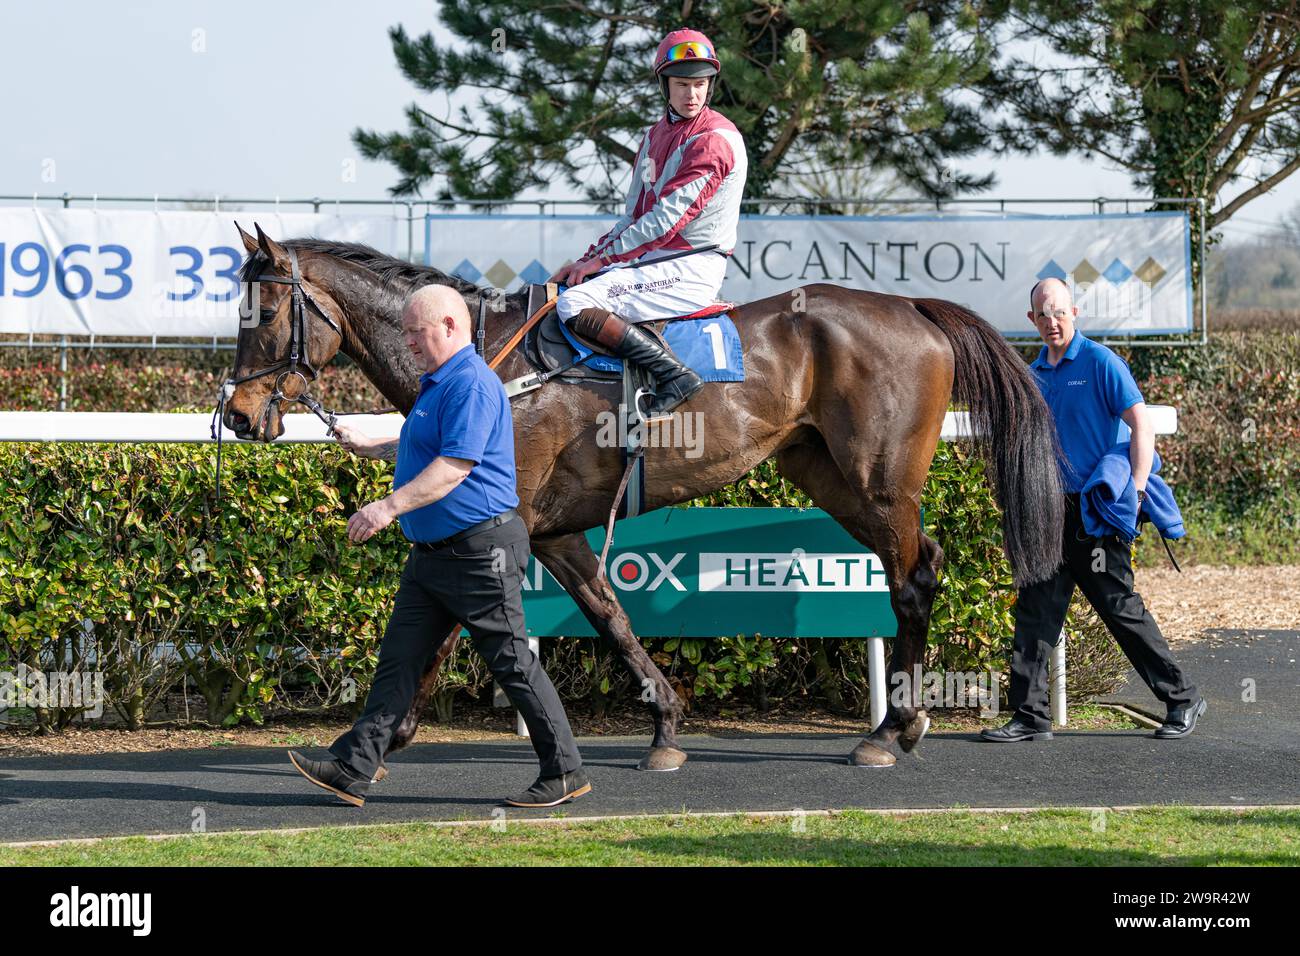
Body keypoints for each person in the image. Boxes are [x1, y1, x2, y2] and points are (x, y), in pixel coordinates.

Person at [287, 285, 589, 808]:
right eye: (404, 331)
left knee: (514, 663)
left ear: (450, 326)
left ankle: (565, 770)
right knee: (399, 662)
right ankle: (354, 767)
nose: (406, 342)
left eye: (414, 331)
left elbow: (454, 467)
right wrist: (378, 444)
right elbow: (429, 447)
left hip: (480, 553)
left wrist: (385, 508)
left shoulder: (469, 383)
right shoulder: (440, 383)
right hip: (436, 555)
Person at [981, 277, 1206, 743]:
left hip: (1095, 511)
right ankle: (1030, 716)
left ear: (1074, 312)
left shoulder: (1102, 362)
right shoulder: (1034, 374)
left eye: (1059, 312)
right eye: (1042, 314)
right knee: (1035, 610)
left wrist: (1137, 493)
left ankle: (1183, 699)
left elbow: (1142, 425)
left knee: (1120, 609)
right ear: (1031, 320)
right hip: (1045, 510)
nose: (1052, 321)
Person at [548, 27, 748, 421]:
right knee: (566, 286)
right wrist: (587, 260)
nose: (692, 94)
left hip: (692, 266)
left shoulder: (715, 139)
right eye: (682, 84)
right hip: (658, 260)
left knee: (575, 302)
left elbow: (664, 222)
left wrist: (601, 264)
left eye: (701, 84)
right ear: (664, 84)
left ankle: (674, 376)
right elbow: (633, 216)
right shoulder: (654, 135)